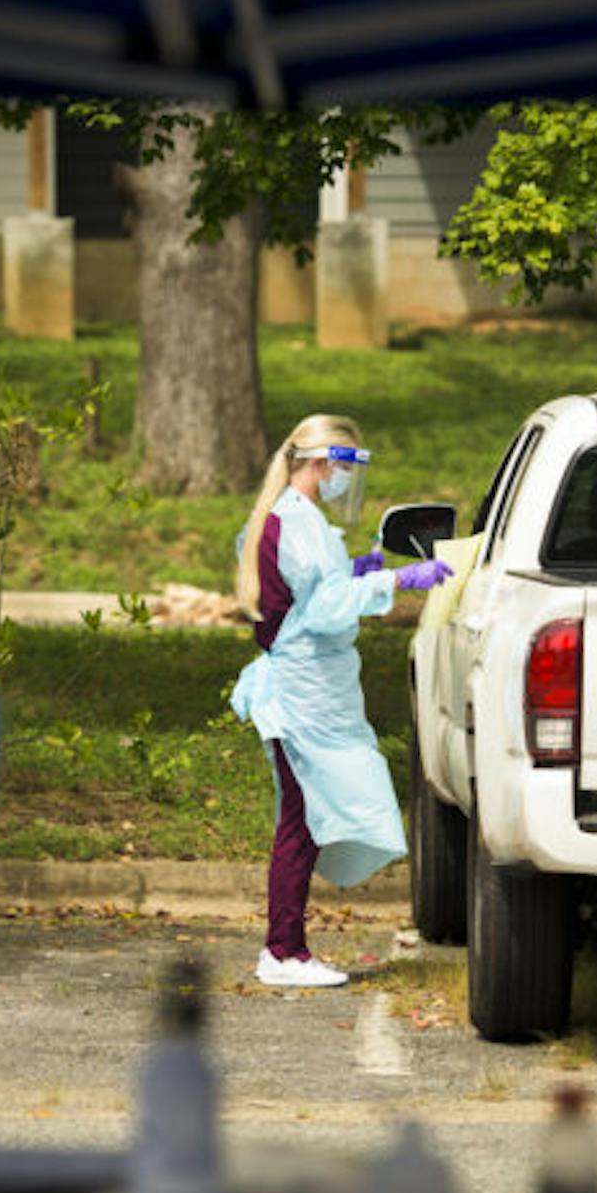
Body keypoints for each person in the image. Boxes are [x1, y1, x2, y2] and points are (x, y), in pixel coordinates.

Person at [228, 416, 452, 989]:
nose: (346, 481)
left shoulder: (291, 517)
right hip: (302, 698)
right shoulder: (298, 523)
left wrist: (355, 573)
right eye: (345, 467)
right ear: (322, 463)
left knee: (303, 821)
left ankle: (287, 949)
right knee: (299, 825)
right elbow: (325, 609)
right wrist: (397, 581)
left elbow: (305, 594)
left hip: (312, 694)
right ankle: (282, 953)